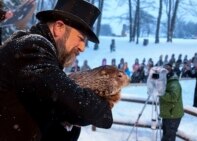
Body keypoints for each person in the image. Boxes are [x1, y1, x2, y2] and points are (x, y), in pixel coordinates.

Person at [0, 0, 113, 141]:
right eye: (80, 38)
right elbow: (70, 101)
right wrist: (103, 107)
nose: (82, 47)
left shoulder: (44, 57)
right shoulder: (30, 47)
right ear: (59, 27)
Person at [160, 63, 184, 141]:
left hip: (173, 115)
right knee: (167, 135)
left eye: (167, 70)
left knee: (169, 137)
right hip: (168, 113)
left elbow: (173, 97)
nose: (165, 73)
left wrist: (161, 92)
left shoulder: (174, 83)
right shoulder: (167, 81)